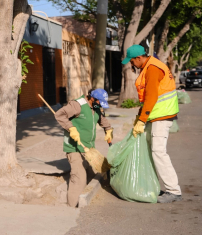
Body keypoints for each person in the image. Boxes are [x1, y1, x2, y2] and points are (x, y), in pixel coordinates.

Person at [122, 44, 181, 203]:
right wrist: (141, 117)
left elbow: (152, 97)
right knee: (149, 149)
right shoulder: (148, 67)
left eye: (132, 61)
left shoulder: (153, 69)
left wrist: (142, 120)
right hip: (156, 115)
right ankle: (153, 185)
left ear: (139, 58)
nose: (131, 64)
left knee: (158, 151)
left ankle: (173, 191)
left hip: (162, 115)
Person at [55, 89, 113, 207]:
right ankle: (72, 207)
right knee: (79, 179)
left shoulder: (96, 107)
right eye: (99, 102)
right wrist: (71, 128)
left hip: (88, 148)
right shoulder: (77, 105)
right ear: (92, 98)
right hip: (74, 147)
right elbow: (59, 114)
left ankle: (82, 201)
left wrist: (108, 129)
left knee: (92, 175)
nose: (100, 105)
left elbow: (102, 119)